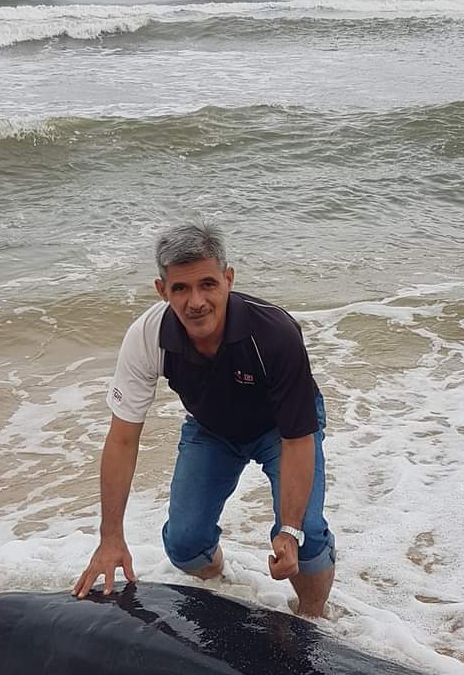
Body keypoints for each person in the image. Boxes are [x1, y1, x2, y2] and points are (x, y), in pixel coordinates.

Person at [72, 222, 336, 616]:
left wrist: (289, 530)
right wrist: (110, 537)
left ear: (228, 280)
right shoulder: (148, 335)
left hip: (281, 430)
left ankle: (313, 618)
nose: (195, 301)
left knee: (306, 537)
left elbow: (298, 439)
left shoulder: (274, 332)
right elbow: (122, 438)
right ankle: (226, 588)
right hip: (212, 429)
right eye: (180, 288)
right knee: (183, 544)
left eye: (207, 284)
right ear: (162, 290)